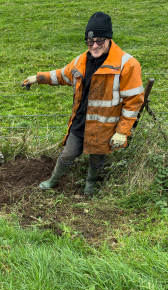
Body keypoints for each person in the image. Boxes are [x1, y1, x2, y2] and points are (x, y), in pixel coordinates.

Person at [22, 12, 144, 195]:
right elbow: (62, 75)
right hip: (80, 122)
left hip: (104, 126)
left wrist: (122, 131)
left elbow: (133, 102)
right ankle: (53, 180)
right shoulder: (81, 60)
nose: (94, 46)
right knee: (68, 153)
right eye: (90, 41)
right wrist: (37, 78)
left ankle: (91, 184)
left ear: (109, 39)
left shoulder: (127, 65)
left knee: (97, 159)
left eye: (99, 41)